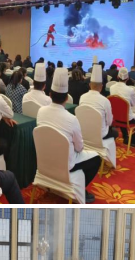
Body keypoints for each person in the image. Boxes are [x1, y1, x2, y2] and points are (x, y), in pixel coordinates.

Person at [37, 67, 101, 203]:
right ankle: (80, 189)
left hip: (44, 162)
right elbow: (79, 148)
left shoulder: (40, 112)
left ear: (50, 95)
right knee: (96, 159)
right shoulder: (72, 119)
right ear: (67, 98)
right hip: (65, 165)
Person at [109, 66, 135, 147]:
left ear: (117, 77)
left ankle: (126, 136)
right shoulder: (130, 90)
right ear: (128, 78)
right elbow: (134, 104)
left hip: (115, 118)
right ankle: (133, 141)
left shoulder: (111, 88)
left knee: (122, 112)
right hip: (126, 119)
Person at [79, 64, 118, 140]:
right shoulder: (105, 100)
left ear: (89, 85)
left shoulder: (82, 97)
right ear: (101, 87)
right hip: (100, 134)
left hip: (84, 132)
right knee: (115, 132)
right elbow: (109, 122)